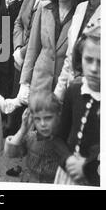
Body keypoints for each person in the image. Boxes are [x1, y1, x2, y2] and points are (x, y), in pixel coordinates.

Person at [17, 0, 79, 105]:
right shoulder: (45, 8)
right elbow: (33, 48)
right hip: (40, 82)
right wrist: (24, 82)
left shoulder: (80, 12)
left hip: (64, 86)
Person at [53, 24, 100, 186]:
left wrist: (86, 165)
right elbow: (59, 136)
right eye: (89, 59)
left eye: (101, 62)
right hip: (67, 176)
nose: (94, 68)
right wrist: (69, 159)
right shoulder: (74, 89)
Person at [4, 92, 62, 183]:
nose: (42, 124)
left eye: (48, 118)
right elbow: (11, 153)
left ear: (58, 116)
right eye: (38, 119)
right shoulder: (32, 137)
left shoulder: (64, 141)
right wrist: (23, 130)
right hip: (30, 182)